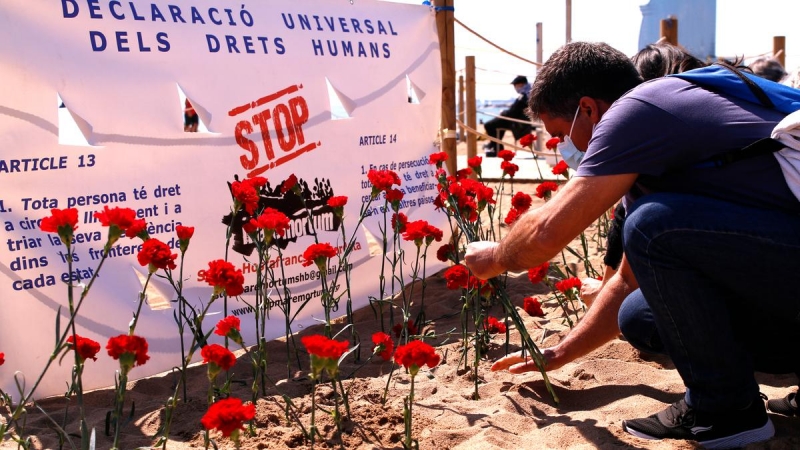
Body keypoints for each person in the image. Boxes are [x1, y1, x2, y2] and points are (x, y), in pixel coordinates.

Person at [465, 41, 800, 449]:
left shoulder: (637, 109)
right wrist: (559, 354)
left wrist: (495, 257)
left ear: (589, 109)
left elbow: (545, 234)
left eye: (559, 133)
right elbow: (626, 281)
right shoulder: (657, 136)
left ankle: (726, 411)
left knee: (652, 225)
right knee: (640, 314)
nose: (566, 146)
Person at [582, 42, 708, 304]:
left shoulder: (655, 116)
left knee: (634, 315)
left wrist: (606, 292)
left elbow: (624, 216)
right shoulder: (710, 102)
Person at [482, 75, 534, 157]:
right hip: (516, 121)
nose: (515, 87)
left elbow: (513, 113)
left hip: (517, 123)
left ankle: (496, 147)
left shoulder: (524, 96)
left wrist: (503, 113)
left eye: (515, 85)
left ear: (521, 84)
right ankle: (496, 147)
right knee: (497, 125)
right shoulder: (528, 94)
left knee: (489, 125)